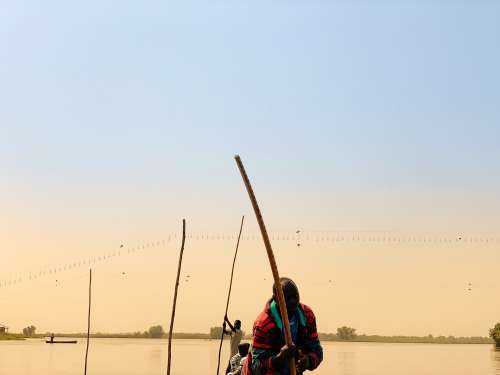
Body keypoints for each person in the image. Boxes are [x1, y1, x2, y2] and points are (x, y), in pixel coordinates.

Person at [242, 277, 323, 375]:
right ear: (276, 299)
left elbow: (317, 351)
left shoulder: (307, 315)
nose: (293, 301)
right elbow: (257, 366)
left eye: (295, 296)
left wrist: (308, 361)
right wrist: (279, 359)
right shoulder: (263, 323)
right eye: (288, 298)